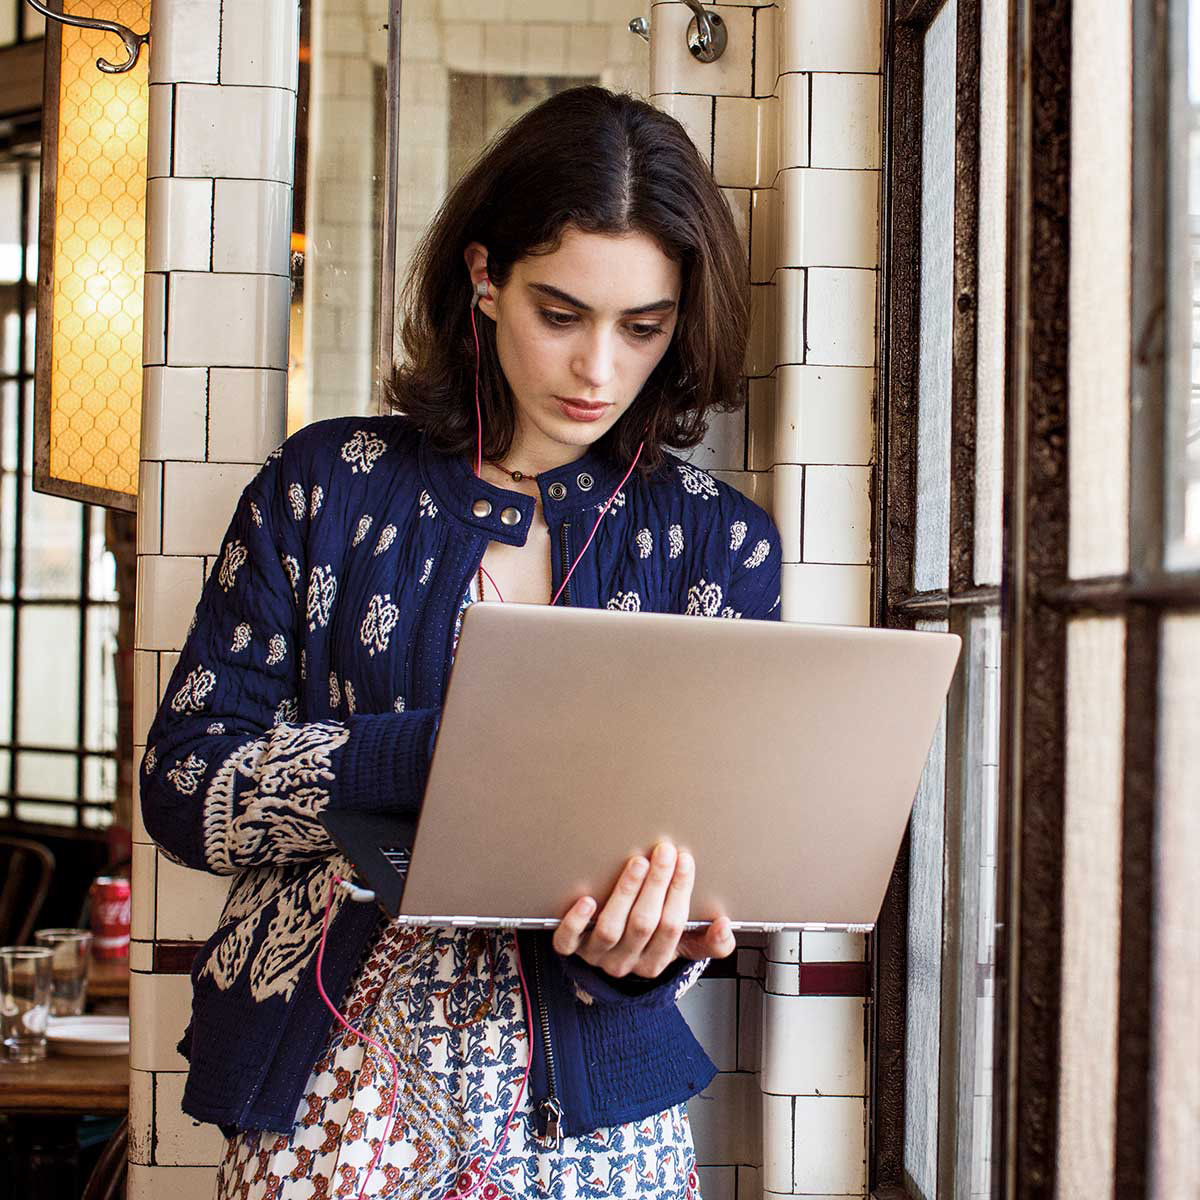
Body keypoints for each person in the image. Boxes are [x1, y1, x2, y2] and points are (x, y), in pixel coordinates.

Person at [141, 85, 782, 1200]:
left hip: (598, 1139)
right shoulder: (327, 487)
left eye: (644, 326)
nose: (598, 369)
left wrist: (639, 958)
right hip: (334, 1096)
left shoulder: (718, 542)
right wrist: (425, 753)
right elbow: (183, 783)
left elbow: (712, 858)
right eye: (561, 312)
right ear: (484, 279)